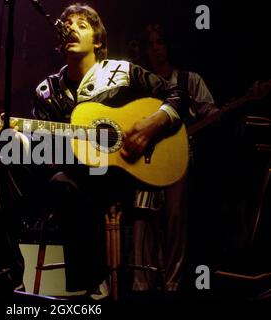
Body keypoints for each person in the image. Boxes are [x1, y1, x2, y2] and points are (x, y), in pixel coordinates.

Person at [29, 3, 190, 299]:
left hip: (121, 177)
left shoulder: (123, 72)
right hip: (73, 181)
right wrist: (27, 143)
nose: (71, 28)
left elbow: (177, 93)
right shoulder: (46, 91)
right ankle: (5, 276)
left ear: (99, 40)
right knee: (21, 171)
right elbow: (43, 152)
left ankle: (93, 283)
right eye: (67, 24)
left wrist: (153, 123)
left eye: (82, 24)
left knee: (71, 184)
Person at [129, 24, 219, 293]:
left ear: (169, 46)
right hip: (145, 158)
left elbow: (210, 113)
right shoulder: (141, 81)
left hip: (179, 158)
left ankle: (172, 283)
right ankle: (141, 282)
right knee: (142, 217)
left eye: (160, 42)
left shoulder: (189, 80)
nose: (155, 49)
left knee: (175, 219)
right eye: (150, 44)